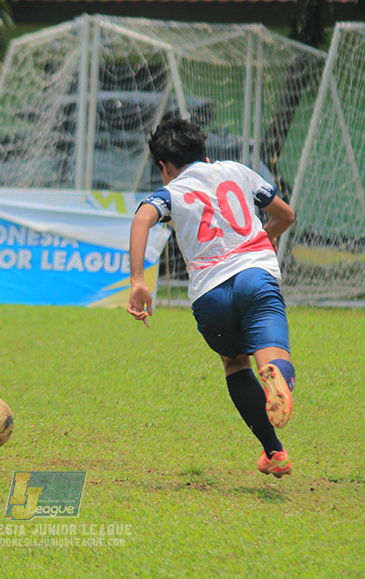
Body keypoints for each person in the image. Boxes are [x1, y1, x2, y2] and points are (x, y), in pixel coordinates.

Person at [127, 118, 298, 479]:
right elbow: (285, 215)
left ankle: (275, 453)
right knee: (270, 350)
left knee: (235, 363)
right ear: (203, 150)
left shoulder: (172, 192)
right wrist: (264, 237)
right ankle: (278, 377)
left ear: (164, 167)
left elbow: (142, 219)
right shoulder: (237, 170)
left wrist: (138, 281)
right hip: (254, 274)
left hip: (209, 293)